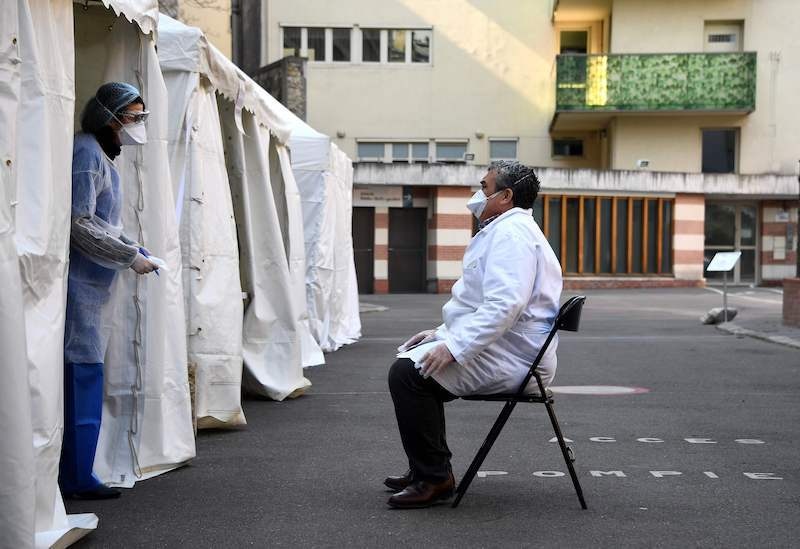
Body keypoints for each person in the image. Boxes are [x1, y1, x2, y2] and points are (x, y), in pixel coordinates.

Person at [385, 160, 563, 509]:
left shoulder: (512, 236)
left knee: (408, 376)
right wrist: (441, 333)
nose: (477, 195)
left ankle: (434, 477)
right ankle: (428, 467)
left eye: (484, 187)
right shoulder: (507, 230)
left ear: (506, 196)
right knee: (415, 366)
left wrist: (454, 346)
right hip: (507, 349)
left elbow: (504, 306)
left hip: (515, 358)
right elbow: (477, 305)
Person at [59, 82, 159, 500]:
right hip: (82, 284)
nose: (137, 124)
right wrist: (127, 256)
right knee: (81, 377)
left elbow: (102, 221)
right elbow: (79, 222)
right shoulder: (87, 153)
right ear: (110, 115)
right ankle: (77, 477)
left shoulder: (99, 152)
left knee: (88, 375)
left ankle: (80, 471)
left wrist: (128, 247)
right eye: (132, 116)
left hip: (94, 285)